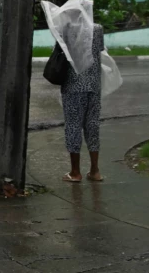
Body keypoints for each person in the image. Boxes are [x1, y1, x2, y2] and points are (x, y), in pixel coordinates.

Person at [59, 15, 105, 183]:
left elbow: (60, 52)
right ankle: (95, 171)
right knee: (92, 125)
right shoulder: (98, 29)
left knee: (73, 126)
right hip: (93, 85)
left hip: (73, 85)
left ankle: (75, 172)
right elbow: (99, 50)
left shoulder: (66, 30)